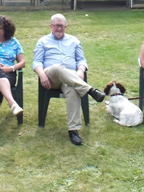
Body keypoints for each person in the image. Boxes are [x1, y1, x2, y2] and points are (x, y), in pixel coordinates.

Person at [33, 13, 107, 146]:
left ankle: (73, 130)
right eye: (56, 26)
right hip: (51, 77)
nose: (59, 29)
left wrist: (81, 70)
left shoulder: (74, 41)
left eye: (61, 26)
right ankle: (90, 90)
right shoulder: (43, 41)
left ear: (66, 27)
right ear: (51, 26)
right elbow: (36, 62)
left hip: (71, 78)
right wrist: (42, 75)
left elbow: (81, 60)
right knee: (57, 67)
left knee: (73, 89)